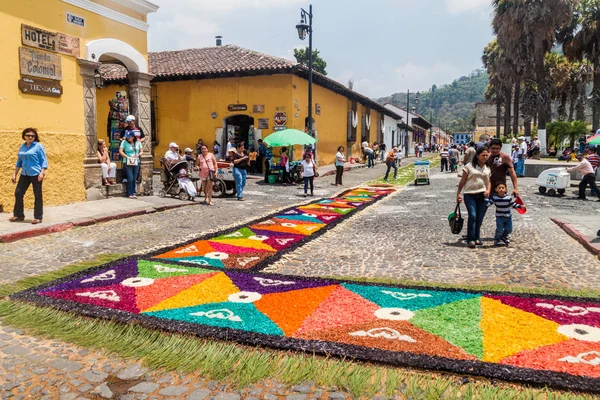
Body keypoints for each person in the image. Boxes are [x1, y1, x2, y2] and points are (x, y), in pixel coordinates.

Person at [10, 128, 48, 224]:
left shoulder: (38, 146)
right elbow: (19, 162)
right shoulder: (22, 147)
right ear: (24, 136)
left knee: (37, 195)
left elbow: (43, 160)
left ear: (35, 137)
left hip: (36, 174)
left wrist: (41, 172)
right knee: (18, 193)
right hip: (25, 174)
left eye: (32, 136)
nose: (30, 137)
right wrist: (14, 174)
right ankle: (19, 215)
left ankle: (38, 217)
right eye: (28, 135)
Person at [457, 146, 491, 249]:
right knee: (473, 215)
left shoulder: (487, 168)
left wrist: (488, 190)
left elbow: (489, 181)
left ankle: (477, 237)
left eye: (486, 155)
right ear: (477, 156)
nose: (485, 157)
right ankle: (470, 239)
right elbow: (463, 180)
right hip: (470, 194)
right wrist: (458, 193)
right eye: (483, 155)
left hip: (482, 195)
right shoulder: (469, 166)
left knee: (480, 217)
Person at [119, 130, 142, 199]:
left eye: (129, 137)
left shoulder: (138, 142)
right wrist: (127, 156)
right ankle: (130, 193)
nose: (127, 138)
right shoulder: (124, 142)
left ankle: (134, 192)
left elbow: (141, 151)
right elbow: (120, 151)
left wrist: (138, 155)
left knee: (134, 178)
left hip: (136, 161)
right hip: (127, 161)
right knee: (130, 177)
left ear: (133, 137)